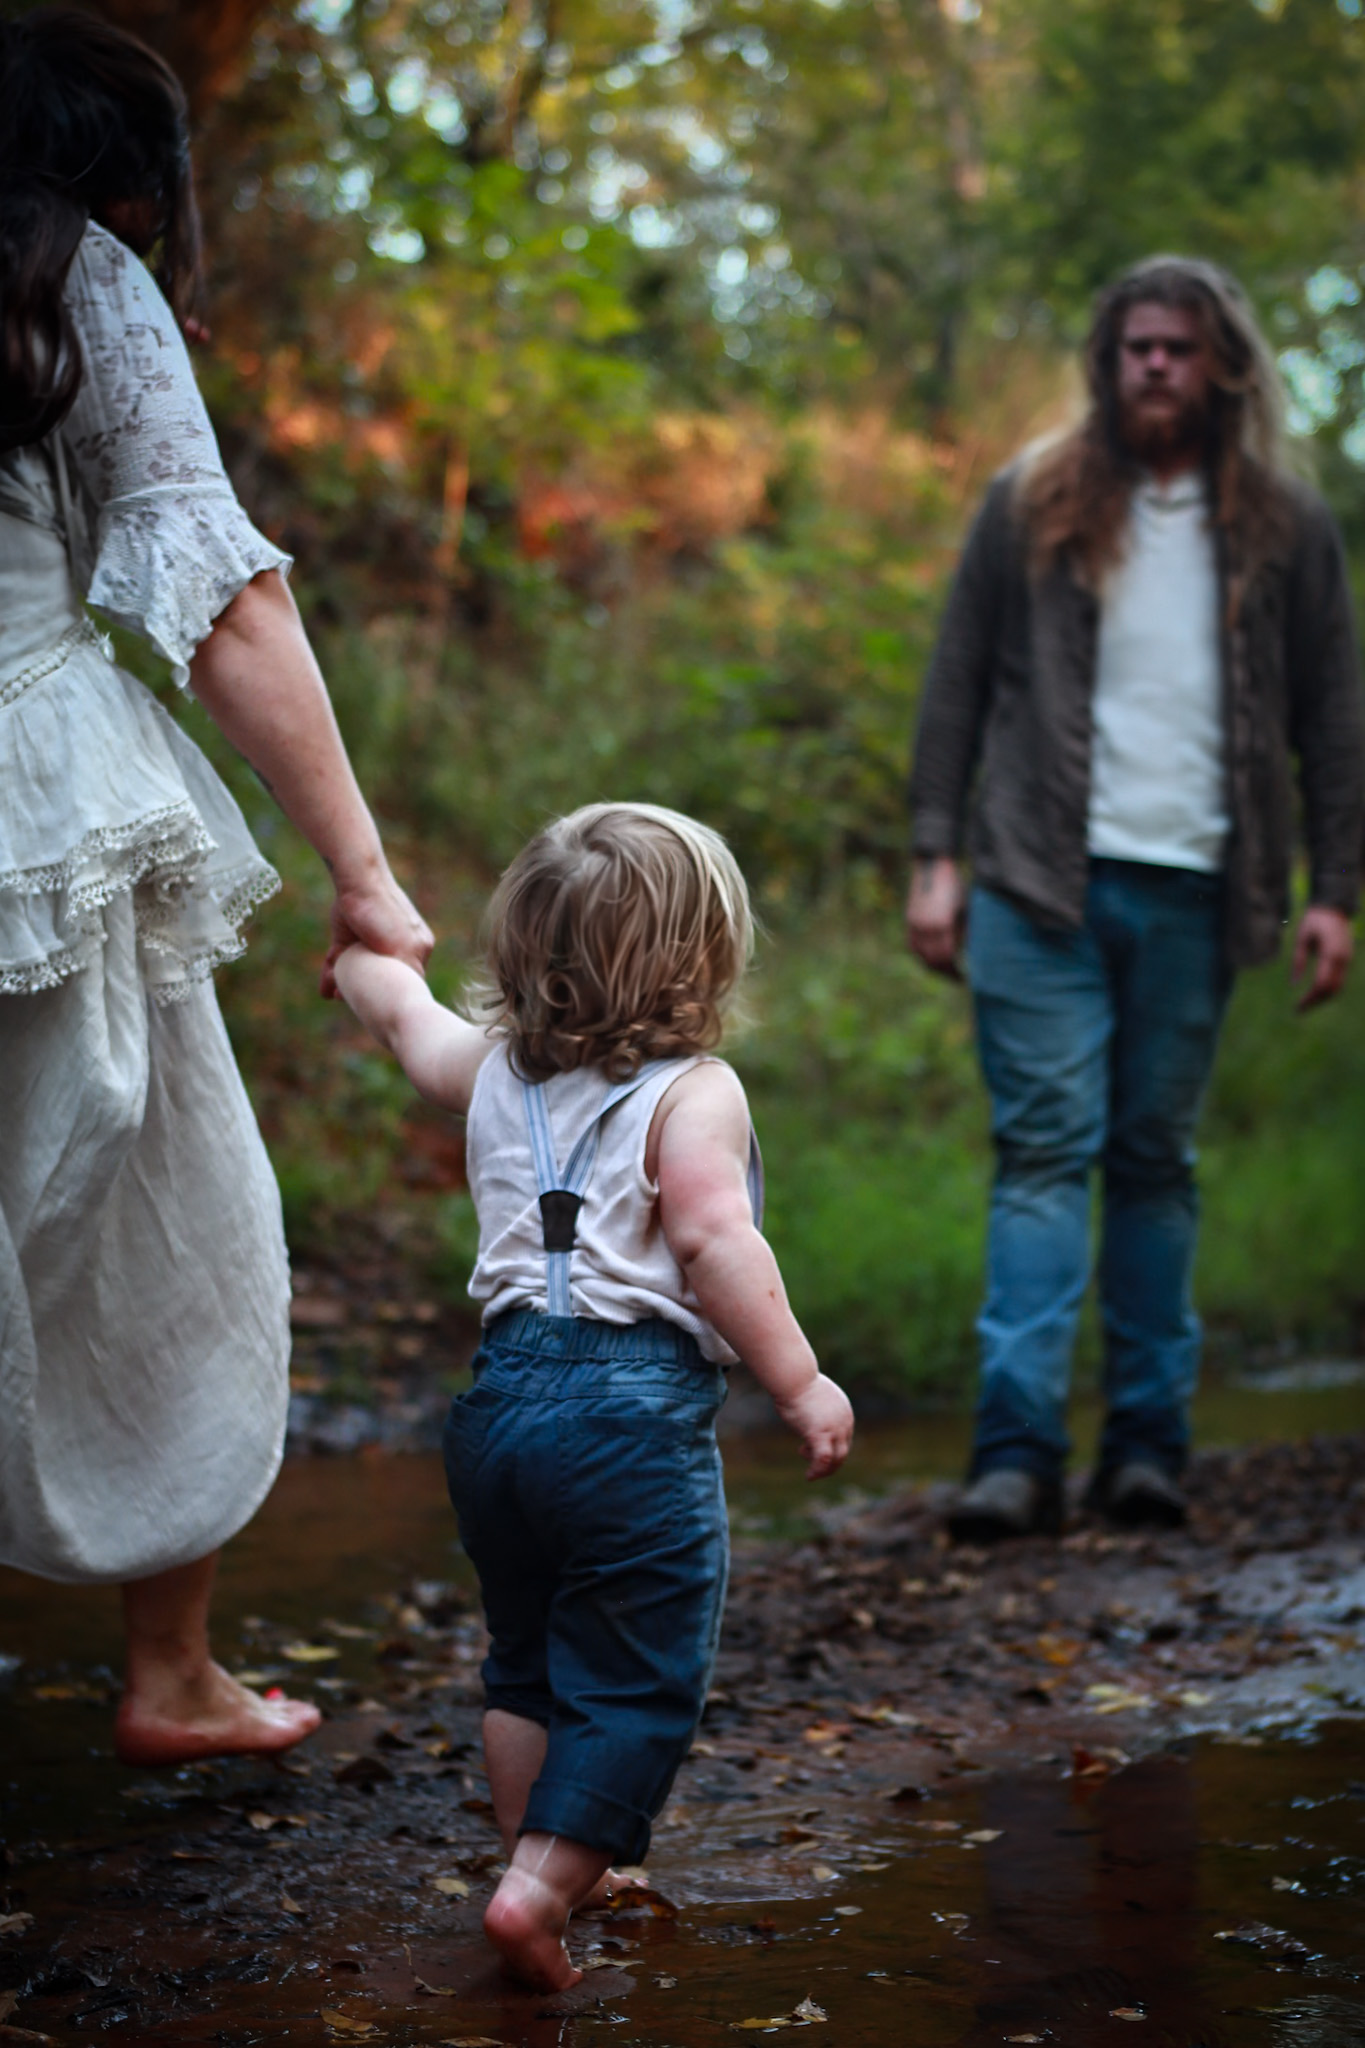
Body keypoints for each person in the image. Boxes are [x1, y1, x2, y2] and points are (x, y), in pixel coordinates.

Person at [0, 11, 431, 1761]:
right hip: (36, 803)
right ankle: (171, 1672)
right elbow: (221, 598)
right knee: (166, 1211)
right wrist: (366, 874)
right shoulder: (70, 277)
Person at [334, 802, 854, 1989]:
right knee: (635, 1672)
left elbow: (408, 1022)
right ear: (702, 956)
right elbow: (714, 1241)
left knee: (526, 1657)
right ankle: (537, 1891)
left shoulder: (494, 1068)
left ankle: (543, 1856)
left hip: (499, 1406)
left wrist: (361, 957)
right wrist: (800, 1378)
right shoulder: (696, 1090)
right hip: (629, 1415)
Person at [906, 255, 1364, 1542]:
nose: (1155, 364)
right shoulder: (1030, 501)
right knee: (1045, 1152)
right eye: (1135, 346)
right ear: (1108, 364)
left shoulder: (1285, 526)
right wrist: (935, 855)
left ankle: (1148, 1448)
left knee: (1156, 1161)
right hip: (1036, 880)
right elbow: (955, 681)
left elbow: (1334, 717)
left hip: (1199, 889)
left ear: (1223, 365)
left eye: (1178, 346)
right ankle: (1015, 1456)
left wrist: (1336, 889)